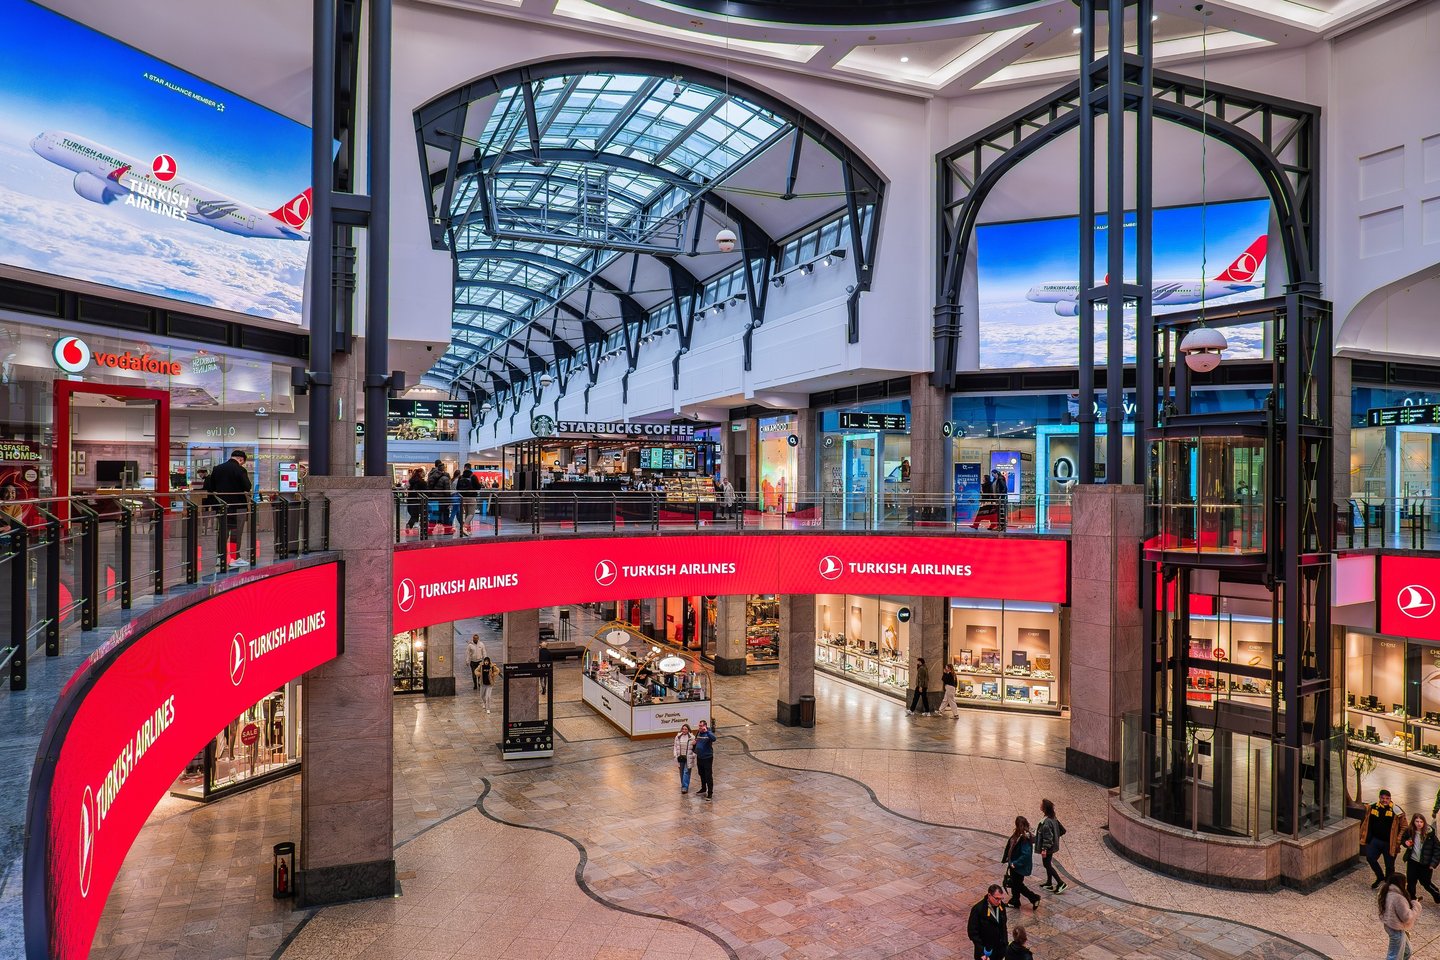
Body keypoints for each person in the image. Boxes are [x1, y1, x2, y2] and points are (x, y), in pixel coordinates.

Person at [206, 449, 252, 566]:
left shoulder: (217, 468)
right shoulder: (240, 469)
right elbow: (247, 487)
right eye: (243, 462)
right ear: (241, 459)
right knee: (236, 532)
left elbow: (210, 487)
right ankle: (234, 557)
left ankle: (220, 557)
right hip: (238, 506)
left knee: (223, 532)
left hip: (222, 505)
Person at [1364, 790, 1406, 888]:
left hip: (1389, 843)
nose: (1385, 800)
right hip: (1375, 840)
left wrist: (1398, 840)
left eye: (1387, 798)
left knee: (1389, 866)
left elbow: (1404, 826)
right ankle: (1380, 877)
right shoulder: (1373, 807)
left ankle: (1389, 884)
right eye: (1383, 798)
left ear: (1390, 799)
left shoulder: (1396, 810)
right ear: (1379, 798)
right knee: (1370, 858)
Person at [1380, 871, 1420, 960]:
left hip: (1391, 926)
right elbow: (1407, 917)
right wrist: (1416, 906)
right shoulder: (1398, 898)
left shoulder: (1387, 892)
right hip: (1396, 929)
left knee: (1407, 951)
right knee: (1394, 956)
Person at [1003, 816, 1041, 910]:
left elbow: (1026, 855)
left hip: (1018, 866)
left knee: (1018, 885)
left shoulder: (1024, 838)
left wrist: (1015, 863)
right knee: (1015, 884)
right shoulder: (1019, 834)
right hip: (1015, 865)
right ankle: (1015, 901)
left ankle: (1034, 898)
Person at [1401, 813, 1440, 903]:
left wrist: (1433, 864)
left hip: (1425, 863)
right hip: (1413, 861)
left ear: (1424, 823)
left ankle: (1437, 895)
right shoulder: (1409, 831)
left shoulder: (1430, 835)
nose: (1419, 824)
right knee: (1411, 880)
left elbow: (1437, 850)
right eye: (1417, 821)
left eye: (1421, 822)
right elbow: (1403, 839)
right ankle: (1411, 898)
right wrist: (1405, 843)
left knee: (1425, 882)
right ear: (1413, 822)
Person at [966, 884, 1009, 959]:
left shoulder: (1001, 906)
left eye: (1001, 899)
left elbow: (1003, 927)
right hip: (986, 952)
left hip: (999, 950)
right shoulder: (978, 909)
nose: (999, 902)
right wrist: (981, 951)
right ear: (989, 895)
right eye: (997, 899)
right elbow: (973, 933)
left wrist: (1005, 944)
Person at [1036, 798, 1067, 894]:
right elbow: (1062, 830)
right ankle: (1049, 883)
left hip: (1048, 848)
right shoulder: (1053, 818)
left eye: (1041, 805)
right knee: (1047, 864)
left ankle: (1060, 883)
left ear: (1045, 808)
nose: (1040, 805)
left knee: (1047, 865)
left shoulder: (1047, 822)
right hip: (1052, 846)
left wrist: (1044, 849)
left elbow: (1047, 837)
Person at [693, 719, 717, 800]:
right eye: (699, 725)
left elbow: (714, 739)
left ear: (705, 726)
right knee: (701, 773)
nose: (699, 727)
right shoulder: (698, 732)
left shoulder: (709, 733)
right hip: (699, 757)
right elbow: (696, 741)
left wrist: (706, 731)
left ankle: (710, 793)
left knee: (708, 775)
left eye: (701, 726)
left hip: (707, 758)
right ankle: (703, 788)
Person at [426, 459, 452, 529]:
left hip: (433, 498)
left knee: (434, 514)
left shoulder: (430, 475)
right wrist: (449, 501)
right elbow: (447, 491)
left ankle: (430, 529)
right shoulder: (445, 477)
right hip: (442, 500)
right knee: (445, 514)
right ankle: (447, 530)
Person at [673, 723, 697, 795]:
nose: (684, 730)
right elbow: (675, 746)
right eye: (683, 729)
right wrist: (675, 755)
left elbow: (695, 748)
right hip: (680, 757)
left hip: (688, 757)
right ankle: (684, 785)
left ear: (688, 730)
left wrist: (693, 755)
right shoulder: (678, 737)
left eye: (685, 729)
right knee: (681, 772)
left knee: (686, 772)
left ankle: (685, 787)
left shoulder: (692, 737)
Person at [456, 464, 479, 535]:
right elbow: (478, 487)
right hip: (471, 497)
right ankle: (464, 527)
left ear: (464, 468)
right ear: (470, 468)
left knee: (467, 513)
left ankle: (467, 531)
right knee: (471, 513)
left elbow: (457, 488)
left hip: (463, 497)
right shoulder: (473, 476)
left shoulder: (460, 477)